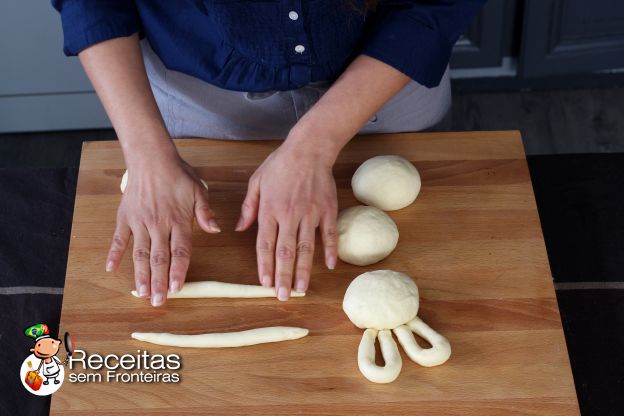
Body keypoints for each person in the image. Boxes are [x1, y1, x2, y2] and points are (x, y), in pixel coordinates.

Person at [52, 0, 485, 306]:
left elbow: (435, 5)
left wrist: (314, 145)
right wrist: (147, 157)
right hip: (202, 97)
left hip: (386, 78)